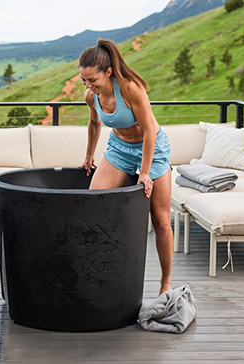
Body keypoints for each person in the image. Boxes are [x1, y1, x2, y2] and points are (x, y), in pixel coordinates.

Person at [78, 39, 173, 295]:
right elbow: (95, 124)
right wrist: (89, 155)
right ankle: (104, 269)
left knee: (162, 220)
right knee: (94, 203)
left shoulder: (131, 89)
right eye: (84, 80)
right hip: (119, 149)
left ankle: (165, 283)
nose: (88, 86)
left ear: (108, 72)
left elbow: (150, 131)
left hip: (152, 149)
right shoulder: (92, 96)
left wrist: (144, 171)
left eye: (92, 80)